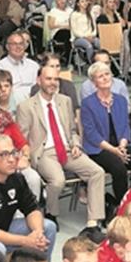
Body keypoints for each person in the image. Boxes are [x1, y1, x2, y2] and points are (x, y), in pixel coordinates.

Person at [18, 64, 109, 235]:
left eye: (56, 79)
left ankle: (92, 223)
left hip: (67, 149)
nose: (53, 82)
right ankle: (51, 213)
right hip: (44, 153)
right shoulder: (26, 106)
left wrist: (75, 144)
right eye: (48, 78)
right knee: (58, 181)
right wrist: (27, 158)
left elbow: (72, 131)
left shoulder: (65, 101)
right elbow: (21, 139)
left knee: (97, 172)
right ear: (39, 80)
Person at [82, 62, 131, 205]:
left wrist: (122, 145)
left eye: (107, 74)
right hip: (99, 148)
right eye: (100, 76)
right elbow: (91, 134)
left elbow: (126, 126)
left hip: (120, 145)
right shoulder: (88, 103)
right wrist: (114, 150)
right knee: (118, 168)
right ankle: (122, 205)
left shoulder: (120, 100)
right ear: (94, 82)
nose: (105, 78)